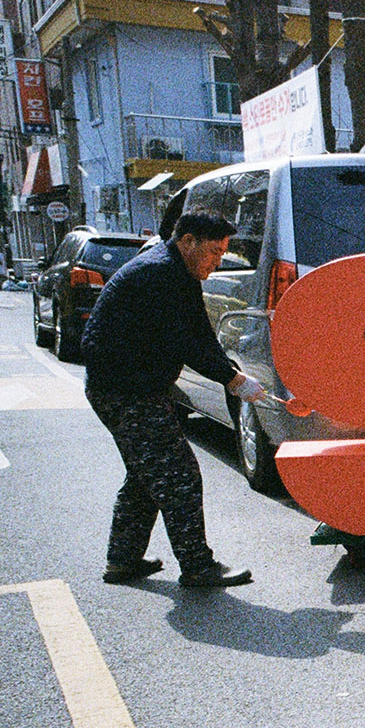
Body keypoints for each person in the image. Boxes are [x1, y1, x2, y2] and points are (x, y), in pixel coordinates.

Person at [81, 210, 275, 588]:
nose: (218, 261)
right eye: (214, 251)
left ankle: (122, 560)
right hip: (125, 391)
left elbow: (201, 335)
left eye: (223, 253)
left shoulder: (179, 272)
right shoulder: (158, 274)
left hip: (131, 387)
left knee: (147, 475)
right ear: (188, 241)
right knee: (179, 475)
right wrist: (233, 380)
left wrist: (232, 375)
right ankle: (198, 565)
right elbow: (183, 342)